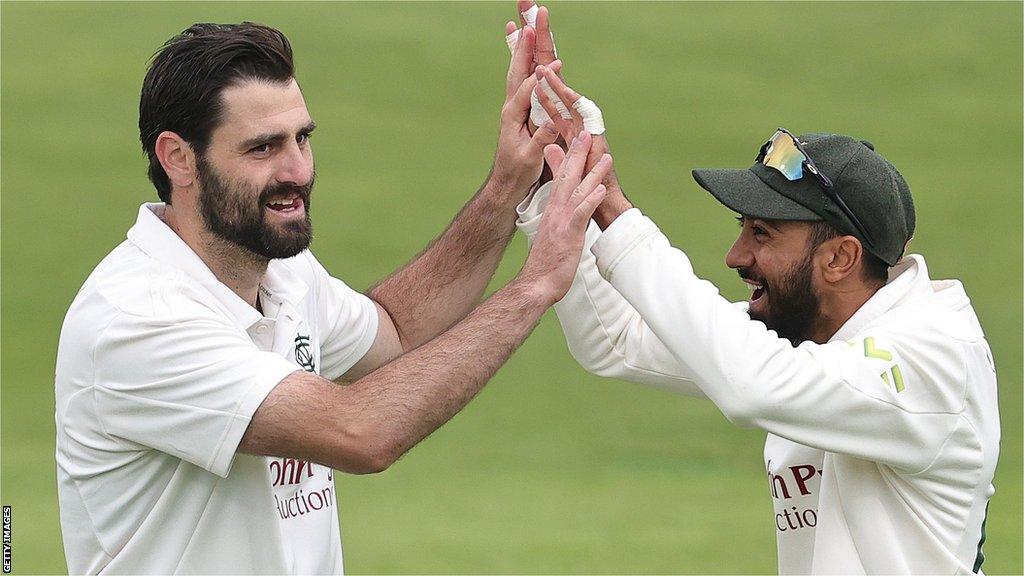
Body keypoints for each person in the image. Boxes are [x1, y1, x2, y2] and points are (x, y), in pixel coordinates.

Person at [55, 21, 612, 574]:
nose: (298, 170)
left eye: (302, 138)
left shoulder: (283, 273)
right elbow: (360, 432)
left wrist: (509, 184)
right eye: (263, 148)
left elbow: (393, 330)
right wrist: (534, 284)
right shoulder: (138, 319)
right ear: (178, 158)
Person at [514, 41, 1001, 574]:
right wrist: (554, 183)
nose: (735, 256)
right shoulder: (811, 332)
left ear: (840, 257)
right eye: (741, 229)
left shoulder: (932, 359)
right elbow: (618, 341)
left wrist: (616, 208)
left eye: (762, 234)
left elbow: (750, 383)